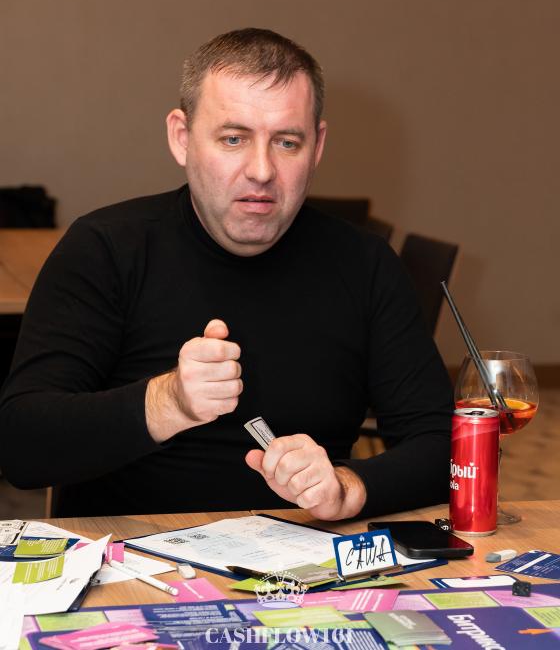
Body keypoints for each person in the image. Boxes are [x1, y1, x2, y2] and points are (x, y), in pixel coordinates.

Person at [0, 28, 453, 519]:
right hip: (131, 552)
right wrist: (167, 402)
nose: (261, 170)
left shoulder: (365, 264)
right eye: (233, 138)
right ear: (182, 138)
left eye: (287, 142)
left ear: (317, 146)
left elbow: (446, 448)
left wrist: (349, 487)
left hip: (304, 555)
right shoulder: (106, 248)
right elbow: (20, 446)